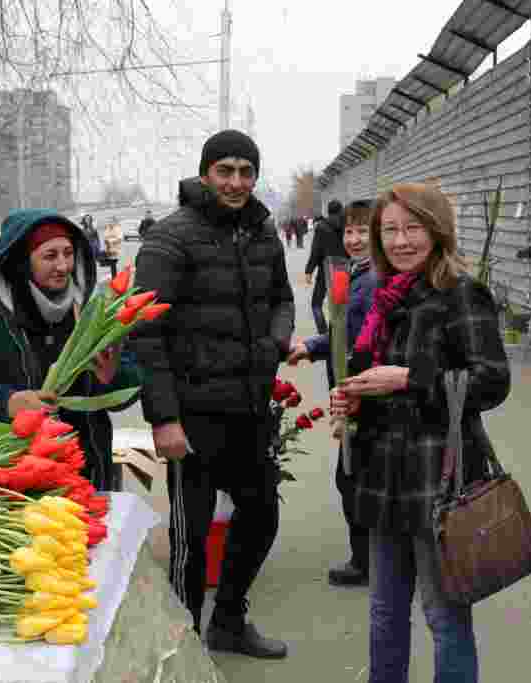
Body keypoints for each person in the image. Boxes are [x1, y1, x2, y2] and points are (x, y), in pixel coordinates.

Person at [330, 183, 510, 682]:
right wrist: (354, 400)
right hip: (383, 473)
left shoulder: (461, 293)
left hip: (438, 476)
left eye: (413, 228)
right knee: (384, 613)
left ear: (436, 230)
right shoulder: (386, 296)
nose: (401, 240)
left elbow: (492, 381)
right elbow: (374, 376)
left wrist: (409, 377)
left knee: (444, 616)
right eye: (390, 230)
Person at [131, 129, 295, 658]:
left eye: (246, 172)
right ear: (205, 174)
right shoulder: (170, 237)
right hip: (193, 415)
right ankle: (182, 644)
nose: (236, 182)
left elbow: (282, 300)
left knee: (261, 514)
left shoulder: (263, 232)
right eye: (225, 170)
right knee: (191, 538)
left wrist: (273, 344)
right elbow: (145, 331)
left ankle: (227, 620)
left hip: (249, 409)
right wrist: (163, 418)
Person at [0, 209, 140, 491]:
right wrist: (7, 403)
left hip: (84, 477)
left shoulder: (93, 313)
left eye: (68, 253)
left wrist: (112, 377)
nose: (64, 265)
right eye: (50, 256)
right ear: (21, 262)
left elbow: (128, 389)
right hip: (7, 483)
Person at [287, 200, 375, 588]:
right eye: (350, 232)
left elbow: (353, 336)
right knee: (353, 476)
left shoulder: (371, 281)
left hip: (363, 391)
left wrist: (313, 346)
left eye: (364, 232)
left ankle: (367, 561)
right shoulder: (362, 273)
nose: (354, 240)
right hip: (355, 387)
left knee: (353, 477)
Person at [305, 200, 348, 334]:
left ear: (328, 211)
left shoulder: (321, 227)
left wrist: (309, 270)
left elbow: (316, 251)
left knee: (316, 304)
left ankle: (323, 334)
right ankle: (337, 334)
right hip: (343, 268)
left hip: (325, 269)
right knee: (339, 307)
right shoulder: (346, 225)